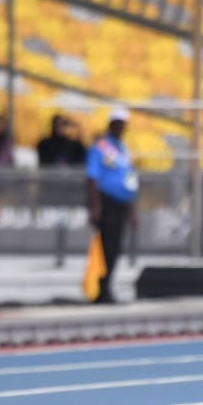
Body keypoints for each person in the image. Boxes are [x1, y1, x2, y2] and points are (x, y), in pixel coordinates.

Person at [86, 107, 138, 304]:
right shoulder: (100, 147)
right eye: (116, 123)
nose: (119, 127)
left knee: (116, 248)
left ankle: (107, 286)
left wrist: (131, 209)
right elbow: (92, 178)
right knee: (106, 247)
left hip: (121, 203)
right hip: (106, 201)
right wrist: (96, 206)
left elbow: (129, 179)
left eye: (122, 124)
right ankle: (101, 288)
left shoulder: (123, 149)